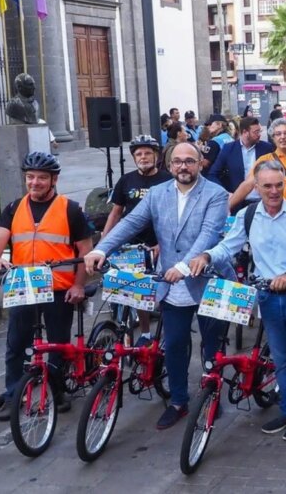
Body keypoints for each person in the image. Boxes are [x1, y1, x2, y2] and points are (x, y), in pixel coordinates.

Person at [84, 142, 231, 430]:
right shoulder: (157, 193)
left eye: (189, 161)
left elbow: (208, 235)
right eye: (177, 161)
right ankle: (178, 401)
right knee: (174, 344)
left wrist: (184, 266)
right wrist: (101, 249)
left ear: (200, 163)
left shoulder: (215, 193)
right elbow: (131, 223)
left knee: (213, 345)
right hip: (172, 285)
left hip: (208, 279)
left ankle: (212, 395)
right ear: (169, 165)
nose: (183, 166)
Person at [189, 159, 286, 441]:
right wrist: (207, 256)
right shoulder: (248, 215)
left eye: (278, 185)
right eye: (267, 186)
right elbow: (229, 245)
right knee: (281, 359)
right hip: (268, 298)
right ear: (257, 187)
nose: (274, 191)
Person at [0, 153, 93, 421]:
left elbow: (85, 251)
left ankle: (57, 390)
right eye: (30, 177)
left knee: (58, 345)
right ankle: (13, 396)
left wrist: (79, 285)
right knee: (16, 344)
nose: (35, 182)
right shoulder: (14, 208)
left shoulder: (70, 209)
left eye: (42, 178)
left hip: (59, 288)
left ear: (54, 180)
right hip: (24, 286)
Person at [103, 136, 172, 344]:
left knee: (164, 292)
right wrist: (104, 243)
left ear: (156, 156)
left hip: (159, 243)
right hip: (132, 245)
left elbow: (174, 215)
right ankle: (145, 333)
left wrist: (162, 245)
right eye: (139, 154)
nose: (143, 157)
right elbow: (116, 212)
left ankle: (167, 332)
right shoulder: (126, 180)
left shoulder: (168, 180)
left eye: (148, 153)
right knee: (136, 291)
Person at [206, 117, 274, 207]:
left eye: (259, 131)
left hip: (263, 202)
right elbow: (212, 174)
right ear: (245, 132)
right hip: (238, 202)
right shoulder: (229, 149)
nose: (259, 135)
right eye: (256, 132)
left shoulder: (267, 148)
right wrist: (224, 192)